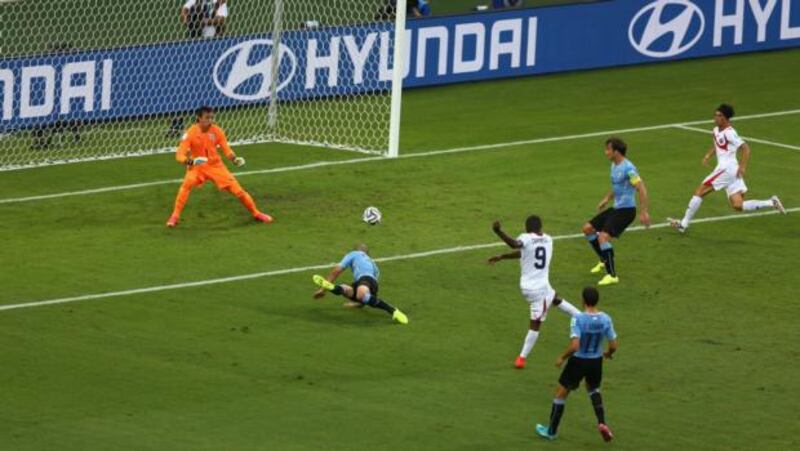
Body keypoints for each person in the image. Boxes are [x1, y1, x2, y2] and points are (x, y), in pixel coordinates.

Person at [668, 104, 786, 232]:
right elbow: (718, 144)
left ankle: (683, 224)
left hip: (727, 169)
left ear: (725, 118)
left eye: (719, 116)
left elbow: (746, 148)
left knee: (699, 192)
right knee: (737, 205)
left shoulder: (730, 133)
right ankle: (771, 202)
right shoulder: (715, 130)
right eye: (715, 115)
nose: (716, 118)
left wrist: (743, 167)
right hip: (729, 171)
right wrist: (708, 155)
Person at [488, 216, 581, 369]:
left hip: (533, 288)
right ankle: (521, 359)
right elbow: (519, 248)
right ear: (540, 227)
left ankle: (582, 317)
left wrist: (500, 240)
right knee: (536, 323)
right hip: (538, 289)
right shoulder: (549, 240)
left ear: (526, 227)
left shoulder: (526, 239)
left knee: (554, 298)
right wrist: (501, 242)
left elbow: (517, 247)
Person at [535, 287, 618, 443]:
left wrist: (562, 357)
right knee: (593, 389)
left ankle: (551, 431)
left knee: (560, 394)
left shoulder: (578, 319)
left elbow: (575, 346)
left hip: (578, 361)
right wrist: (608, 354)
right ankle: (602, 423)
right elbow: (613, 345)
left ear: (583, 300)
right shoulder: (606, 318)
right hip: (596, 362)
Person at [166, 106, 273, 227]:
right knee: (186, 185)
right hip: (197, 166)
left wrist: (234, 159)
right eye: (207, 117)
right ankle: (174, 216)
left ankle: (256, 213)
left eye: (212, 117)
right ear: (199, 118)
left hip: (215, 166)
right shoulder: (190, 133)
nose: (210, 120)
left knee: (238, 191)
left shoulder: (217, 131)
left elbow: (226, 149)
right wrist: (192, 162)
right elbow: (179, 155)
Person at [582, 138, 650, 286]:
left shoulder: (629, 168)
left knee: (603, 238)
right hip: (617, 208)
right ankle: (604, 259)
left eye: (608, 149)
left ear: (616, 152)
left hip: (626, 210)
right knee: (588, 229)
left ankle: (612, 275)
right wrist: (606, 198)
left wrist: (644, 212)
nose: (605, 152)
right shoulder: (614, 165)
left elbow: (641, 188)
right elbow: (617, 186)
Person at [312, 244, 409, 325]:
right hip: (368, 283)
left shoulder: (354, 254)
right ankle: (334, 288)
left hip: (365, 280)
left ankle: (393, 310)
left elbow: (337, 270)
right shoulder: (373, 264)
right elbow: (372, 289)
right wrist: (359, 303)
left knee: (357, 292)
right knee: (349, 290)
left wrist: (322, 290)